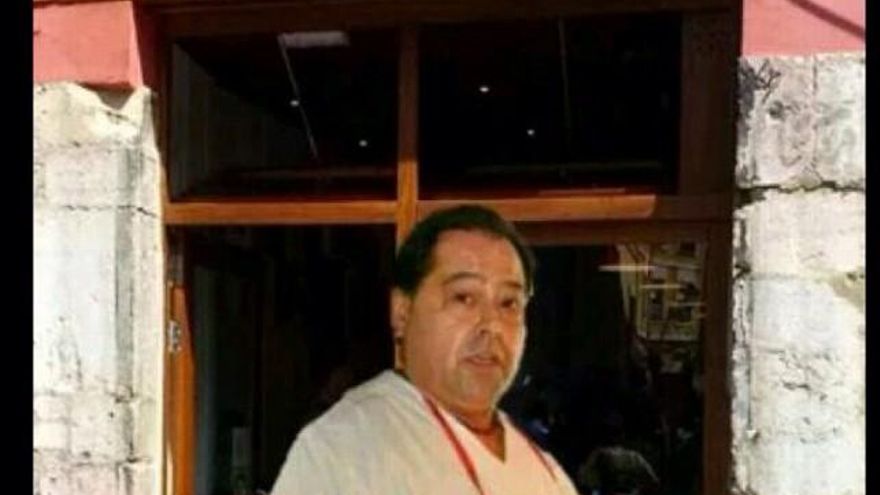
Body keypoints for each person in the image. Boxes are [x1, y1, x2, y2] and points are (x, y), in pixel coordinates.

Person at [270, 205, 580, 494]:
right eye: (464, 298)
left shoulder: (543, 470)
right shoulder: (344, 446)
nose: (492, 325)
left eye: (508, 303)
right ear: (402, 312)